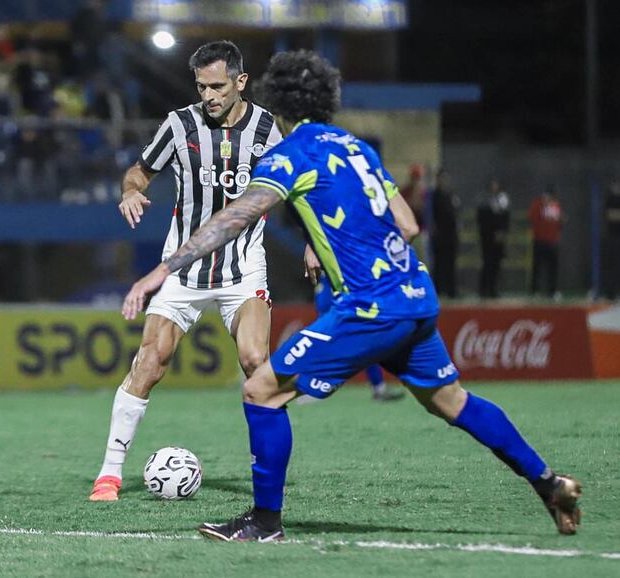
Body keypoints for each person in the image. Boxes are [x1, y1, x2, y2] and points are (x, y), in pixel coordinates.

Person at [122, 50, 582, 541]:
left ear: (273, 100)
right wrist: (339, 242)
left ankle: (264, 522)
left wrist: (162, 270)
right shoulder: (357, 148)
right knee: (452, 400)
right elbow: (407, 223)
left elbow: (236, 216)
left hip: (371, 306)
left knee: (261, 391)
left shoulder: (292, 153)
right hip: (416, 296)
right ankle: (550, 484)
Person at [89, 41, 282, 502]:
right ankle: (109, 475)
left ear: (240, 82)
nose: (209, 95)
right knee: (150, 361)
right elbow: (139, 171)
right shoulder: (180, 125)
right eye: (201, 87)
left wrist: (315, 247)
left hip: (243, 271)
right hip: (183, 269)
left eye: (218, 86)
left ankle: (266, 477)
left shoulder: (269, 130)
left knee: (257, 364)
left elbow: (297, 189)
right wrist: (130, 191)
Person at [313, 271, 403, 401]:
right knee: (326, 345)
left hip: (343, 302)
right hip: (335, 306)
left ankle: (378, 387)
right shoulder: (329, 273)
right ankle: (308, 387)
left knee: (365, 344)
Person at [528, 185, 565, 298]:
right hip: (539, 240)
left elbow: (560, 223)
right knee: (537, 267)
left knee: (553, 268)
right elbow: (532, 219)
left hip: (553, 241)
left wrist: (560, 220)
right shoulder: (537, 204)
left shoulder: (556, 205)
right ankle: (535, 291)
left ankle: (552, 291)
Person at [430, 168, 460, 298]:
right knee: (439, 264)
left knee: (450, 263)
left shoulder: (451, 195)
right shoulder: (434, 196)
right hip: (440, 236)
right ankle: (438, 289)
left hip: (451, 235)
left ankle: (451, 290)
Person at [477, 178, 509, 298]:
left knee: (497, 264)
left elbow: (505, 218)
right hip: (487, 238)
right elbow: (481, 220)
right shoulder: (484, 200)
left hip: (499, 238)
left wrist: (502, 233)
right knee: (487, 263)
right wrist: (490, 233)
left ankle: (494, 289)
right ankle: (484, 290)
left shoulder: (503, 200)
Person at [603, 179, 620, 299]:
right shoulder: (611, 199)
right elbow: (610, 215)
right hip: (614, 237)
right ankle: (611, 293)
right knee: (613, 265)